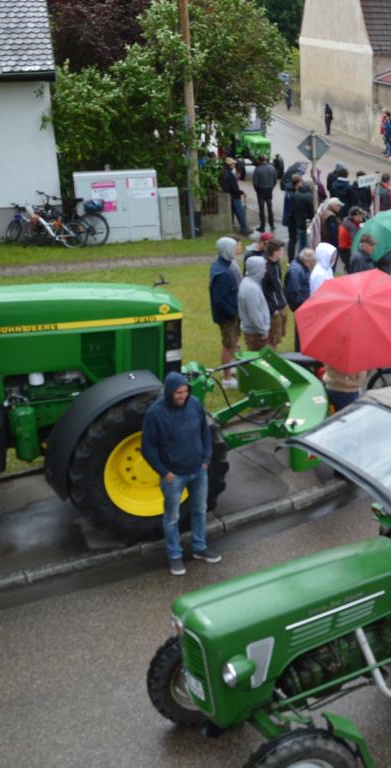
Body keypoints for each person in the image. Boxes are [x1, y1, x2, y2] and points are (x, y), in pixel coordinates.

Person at [141, 372, 217, 576]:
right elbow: (148, 447)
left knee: (200, 510)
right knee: (172, 518)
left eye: (185, 391)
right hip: (174, 477)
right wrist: (164, 472)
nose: (182, 396)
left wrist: (206, 460)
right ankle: (175, 556)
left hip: (198, 471)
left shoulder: (194, 404)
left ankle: (200, 548)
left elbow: (205, 432)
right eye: (178, 392)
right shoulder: (155, 414)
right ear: (169, 392)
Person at [209, 237, 241, 389]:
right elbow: (219, 300)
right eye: (234, 248)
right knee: (228, 345)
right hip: (227, 316)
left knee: (232, 343)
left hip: (229, 313)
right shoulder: (222, 273)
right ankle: (227, 379)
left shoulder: (222, 266)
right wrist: (233, 312)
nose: (237, 250)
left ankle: (229, 368)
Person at [238, 256, 271, 351]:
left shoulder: (249, 282)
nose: (265, 270)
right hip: (256, 334)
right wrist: (263, 330)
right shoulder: (251, 288)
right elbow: (254, 314)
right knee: (259, 361)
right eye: (263, 267)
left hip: (255, 331)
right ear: (257, 269)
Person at [262, 240, 287, 348]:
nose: (284, 252)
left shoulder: (276, 265)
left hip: (279, 305)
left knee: (277, 335)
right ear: (275, 252)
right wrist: (274, 308)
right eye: (281, 250)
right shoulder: (266, 268)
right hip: (272, 308)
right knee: (271, 337)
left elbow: (279, 286)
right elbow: (265, 290)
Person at [221, 157, 250, 236]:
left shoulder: (223, 172)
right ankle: (245, 230)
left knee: (235, 212)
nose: (234, 165)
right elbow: (234, 188)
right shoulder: (230, 175)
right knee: (241, 213)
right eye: (233, 164)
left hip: (230, 196)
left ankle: (240, 228)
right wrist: (242, 192)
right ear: (229, 165)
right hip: (235, 196)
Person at [291, 179, 316, 258]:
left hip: (299, 222)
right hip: (307, 223)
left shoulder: (296, 194)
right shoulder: (310, 196)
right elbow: (313, 210)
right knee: (307, 243)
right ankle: (304, 258)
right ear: (310, 186)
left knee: (301, 243)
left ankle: (299, 258)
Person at [252, 156, 278, 232]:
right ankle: (272, 225)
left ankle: (262, 226)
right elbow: (275, 180)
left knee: (262, 209)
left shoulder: (257, 170)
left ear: (259, 161)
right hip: (269, 190)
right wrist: (271, 187)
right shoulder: (272, 168)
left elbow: (255, 183)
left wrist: (258, 190)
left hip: (261, 190)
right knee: (270, 207)